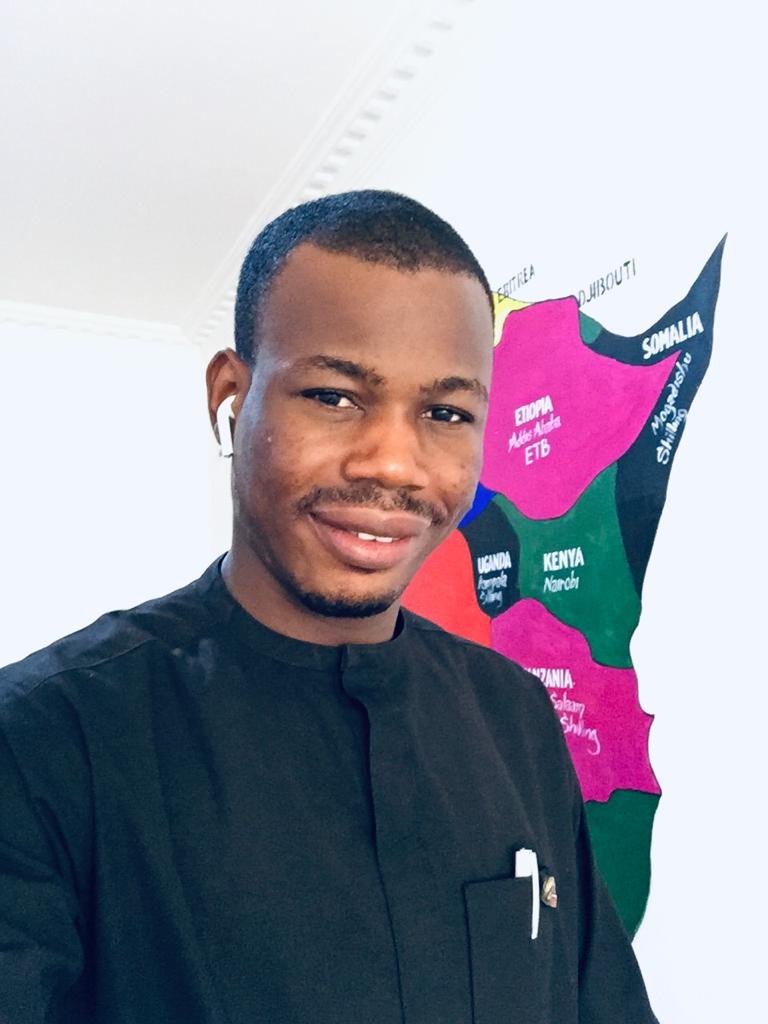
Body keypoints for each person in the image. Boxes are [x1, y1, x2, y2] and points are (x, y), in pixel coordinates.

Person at [0, 190, 658, 1023]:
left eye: (446, 413)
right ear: (232, 395)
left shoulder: (513, 716)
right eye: (334, 396)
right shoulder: (44, 741)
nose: (394, 464)